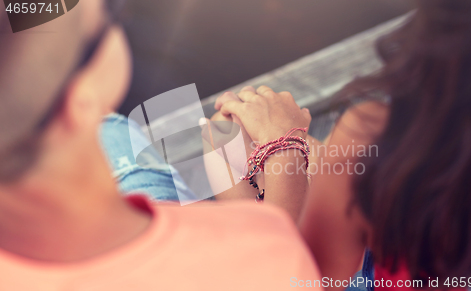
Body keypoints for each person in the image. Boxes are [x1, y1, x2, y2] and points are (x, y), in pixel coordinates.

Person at [0, 0, 321, 290]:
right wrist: (286, 149)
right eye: (112, 9)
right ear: (79, 99)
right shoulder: (260, 251)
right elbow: (279, 264)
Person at [214, 0, 471, 289]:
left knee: (218, 136)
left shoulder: (368, 134)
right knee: (226, 137)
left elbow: (299, 283)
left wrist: (285, 148)